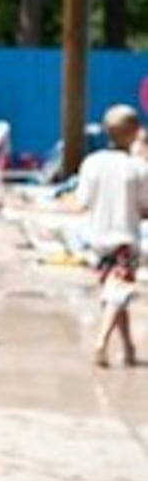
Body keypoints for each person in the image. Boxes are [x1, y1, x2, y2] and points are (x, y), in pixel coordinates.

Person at [77, 105, 148, 367]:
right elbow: (144, 206)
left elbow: (82, 201)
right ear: (133, 132)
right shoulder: (138, 167)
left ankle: (128, 348)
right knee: (117, 295)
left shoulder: (92, 163)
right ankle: (102, 342)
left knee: (115, 296)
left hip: (97, 240)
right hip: (125, 241)